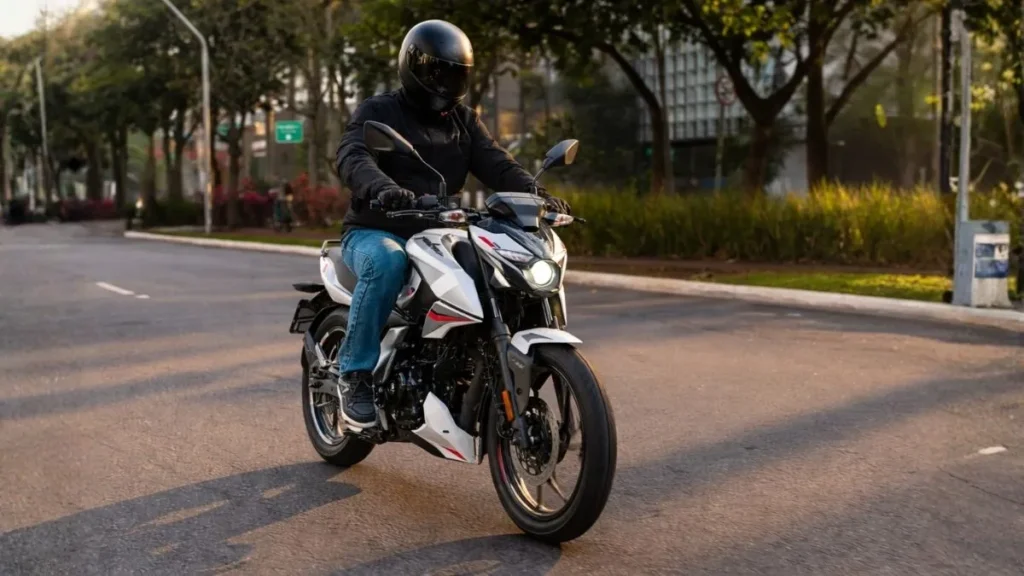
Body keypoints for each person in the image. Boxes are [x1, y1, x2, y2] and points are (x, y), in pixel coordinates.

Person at [334, 19, 571, 427]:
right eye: (437, 71)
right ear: (415, 67)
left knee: (494, 269)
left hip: (440, 231)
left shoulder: (463, 120)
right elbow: (353, 156)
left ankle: (478, 363)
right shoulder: (379, 112)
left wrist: (536, 195)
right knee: (388, 262)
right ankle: (354, 376)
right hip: (377, 229)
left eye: (455, 73)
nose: (444, 82)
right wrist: (383, 188)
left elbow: (497, 163)